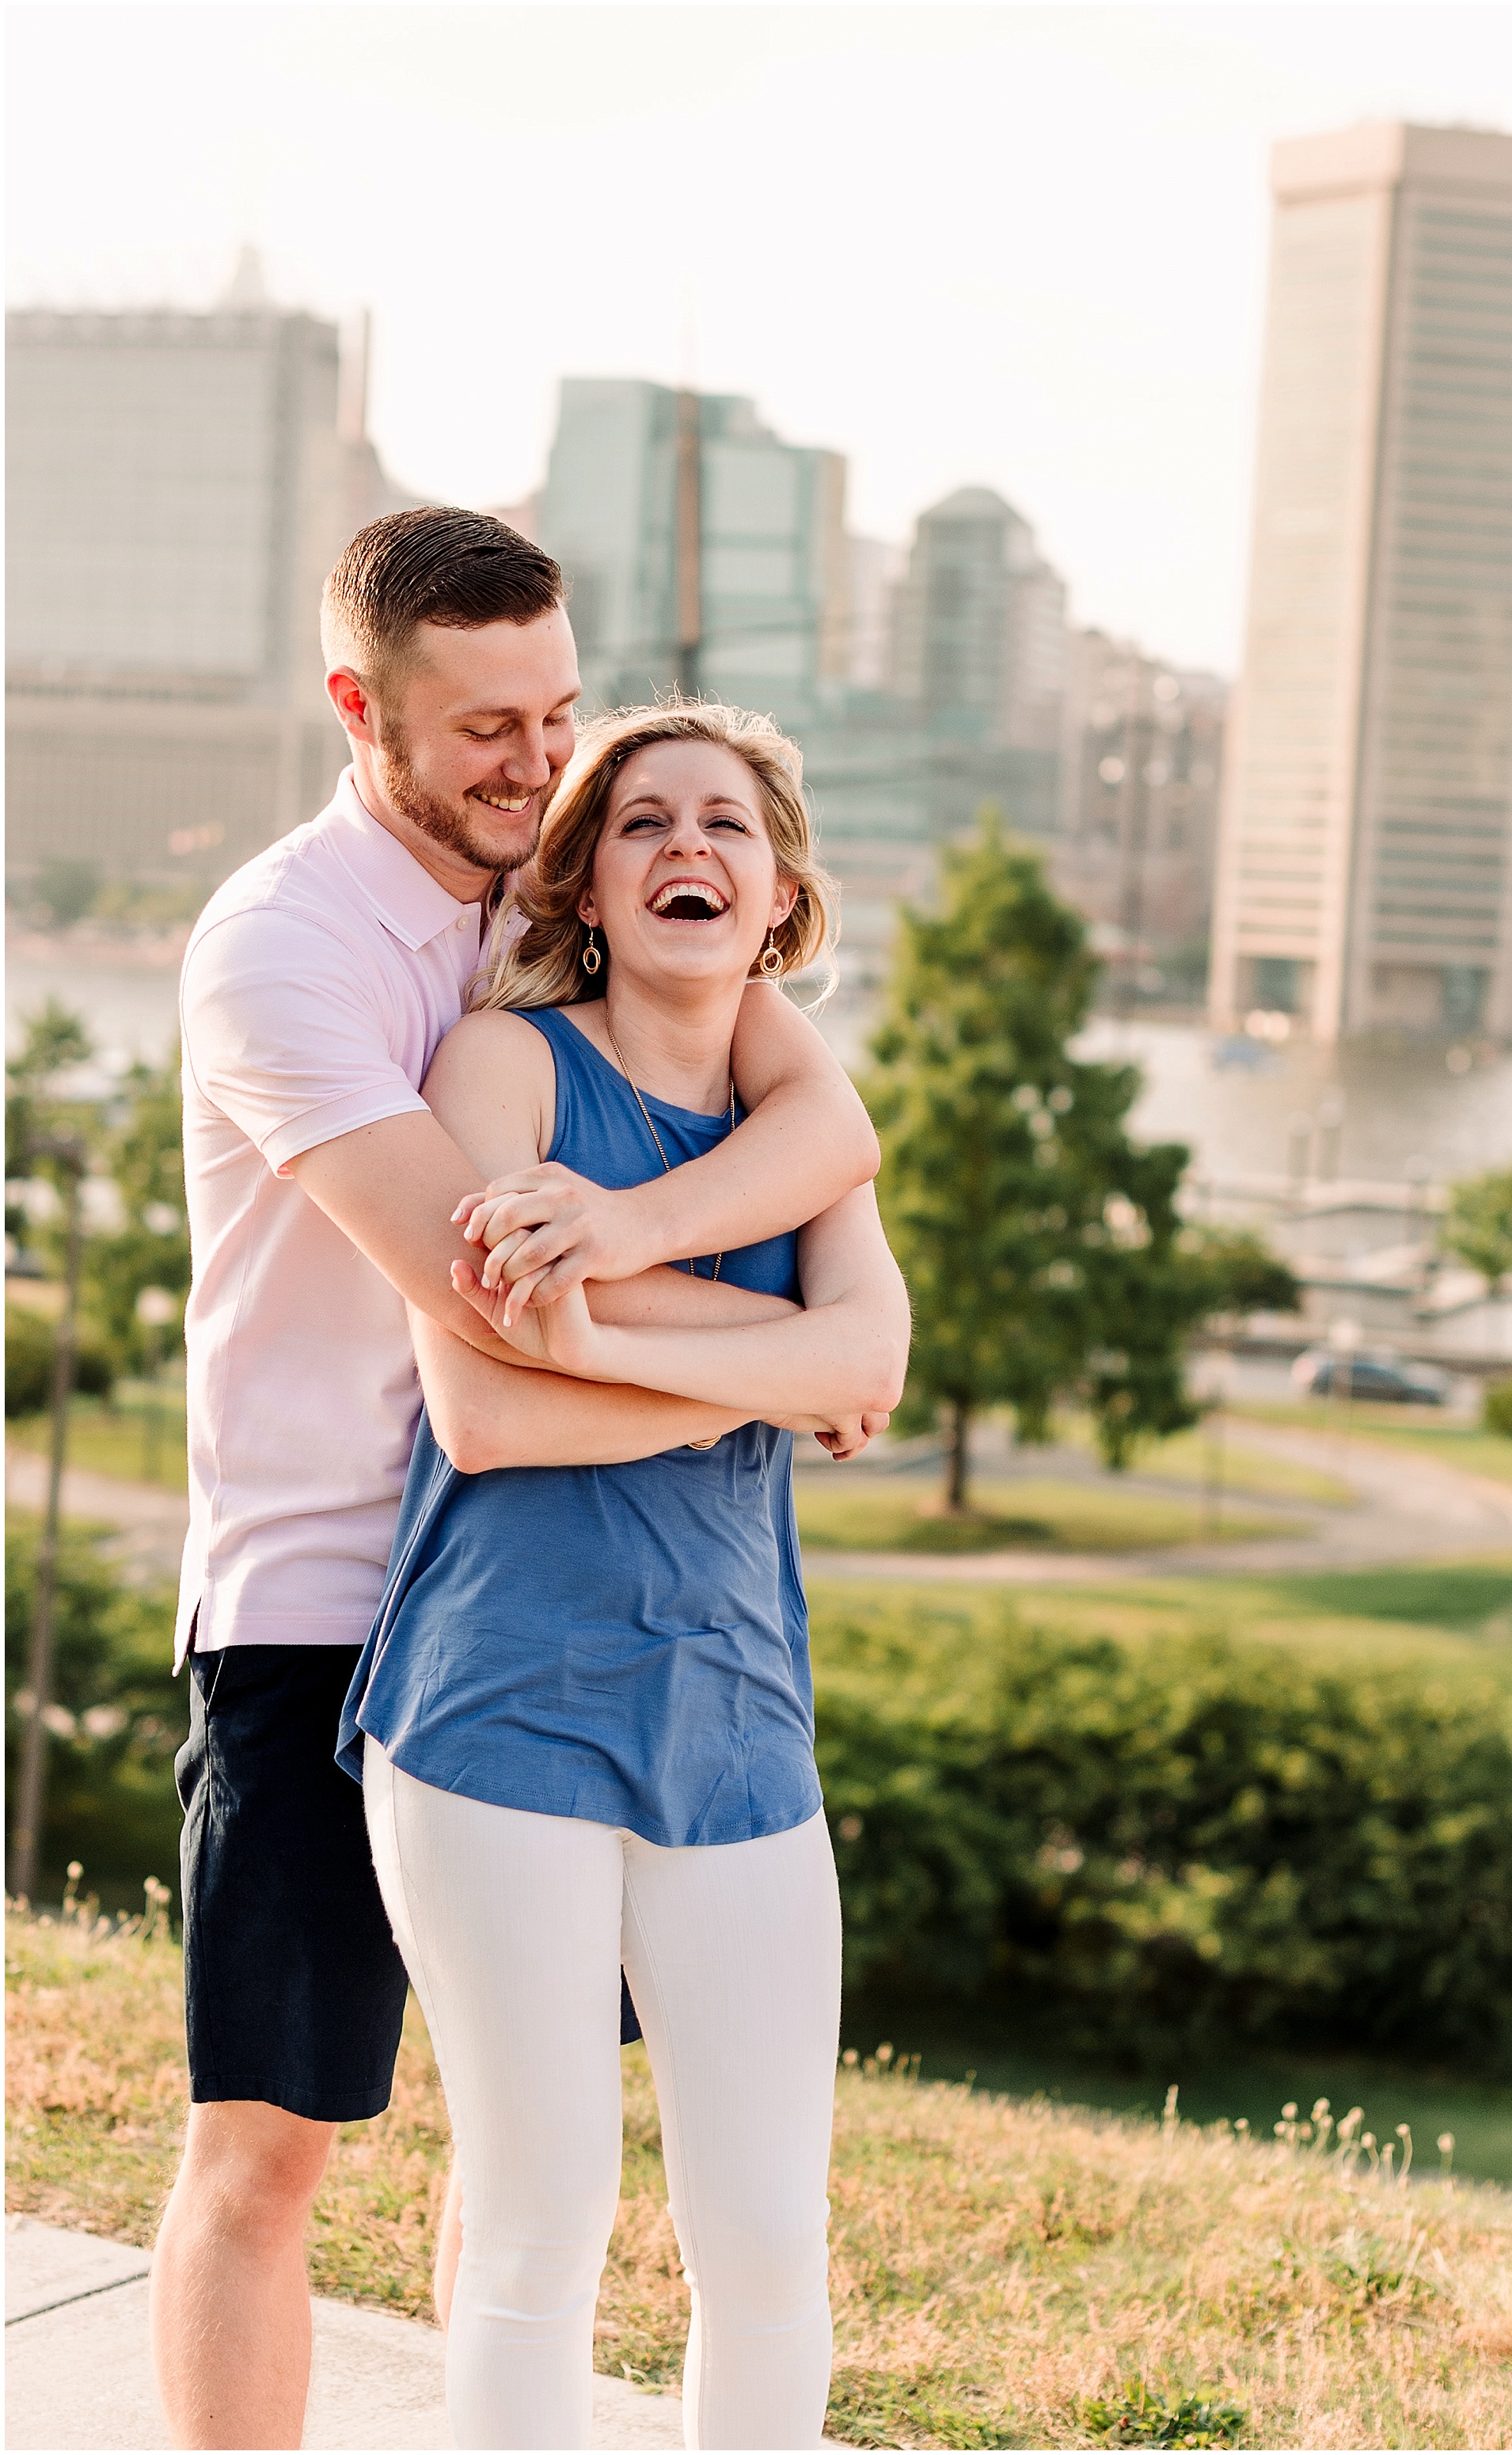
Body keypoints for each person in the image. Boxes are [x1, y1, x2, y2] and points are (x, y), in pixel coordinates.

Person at [150, 510, 882, 2453]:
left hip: (576, 1597)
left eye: (556, 712)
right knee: (268, 2150)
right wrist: (770, 1376)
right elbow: (481, 1323)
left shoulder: (571, 891)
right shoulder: (282, 946)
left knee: (528, 2173)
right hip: (328, 1600)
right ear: (358, 709)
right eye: (483, 727)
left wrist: (646, 1242)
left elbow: (821, 1118)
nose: (531, 762)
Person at [337, 698, 910, 2452]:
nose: (687, 849)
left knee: (763, 2241)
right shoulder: (506, 1070)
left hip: (735, 1715)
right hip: (495, 1704)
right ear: (583, 878)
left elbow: (866, 1366)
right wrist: (767, 1353)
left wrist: (619, 1278)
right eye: (644, 820)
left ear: (780, 895)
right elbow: (491, 1407)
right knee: (537, 2218)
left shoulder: (806, 1102)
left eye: (725, 825)